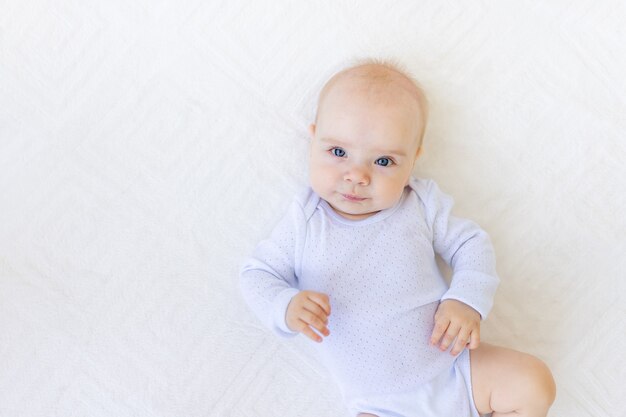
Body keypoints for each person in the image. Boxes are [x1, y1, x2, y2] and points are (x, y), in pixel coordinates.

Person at [239, 58, 556, 417]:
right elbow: (257, 274)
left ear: (412, 162)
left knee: (533, 381)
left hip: (457, 370)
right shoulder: (305, 222)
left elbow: (471, 244)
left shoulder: (419, 204)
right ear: (313, 141)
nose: (357, 175)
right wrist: (285, 305)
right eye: (338, 152)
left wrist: (466, 299)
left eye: (384, 161)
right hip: (379, 404)